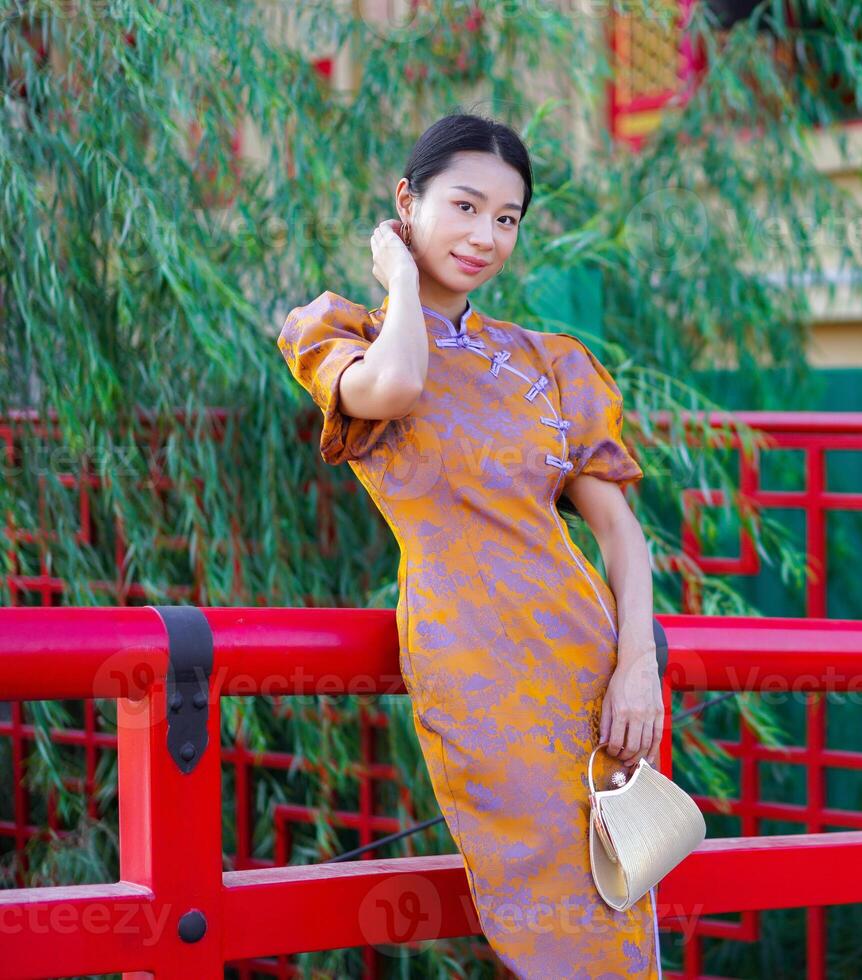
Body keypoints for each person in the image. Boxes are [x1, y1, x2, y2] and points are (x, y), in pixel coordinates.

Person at [276, 111, 665, 978]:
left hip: (590, 664)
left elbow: (619, 532)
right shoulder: (338, 335)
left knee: (620, 887)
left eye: (508, 218)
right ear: (406, 203)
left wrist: (637, 661)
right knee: (539, 900)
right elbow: (402, 385)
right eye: (464, 207)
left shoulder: (550, 363)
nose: (486, 236)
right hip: (473, 662)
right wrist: (399, 281)